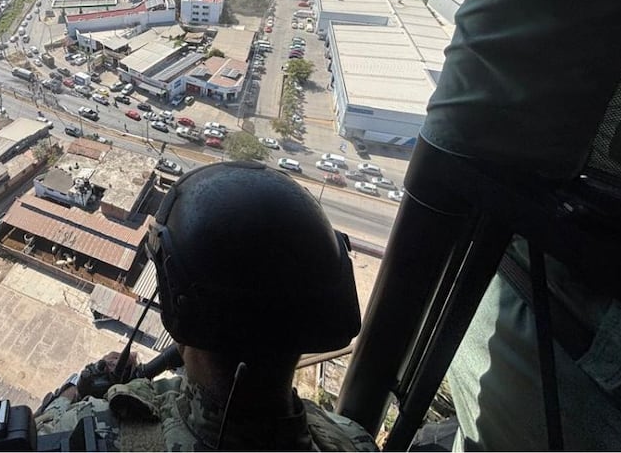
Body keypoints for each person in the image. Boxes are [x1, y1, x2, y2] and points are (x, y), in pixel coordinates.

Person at [35, 161, 377, 451]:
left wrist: (77, 387)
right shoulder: (351, 438)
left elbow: (35, 430)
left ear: (176, 308)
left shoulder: (89, 429)